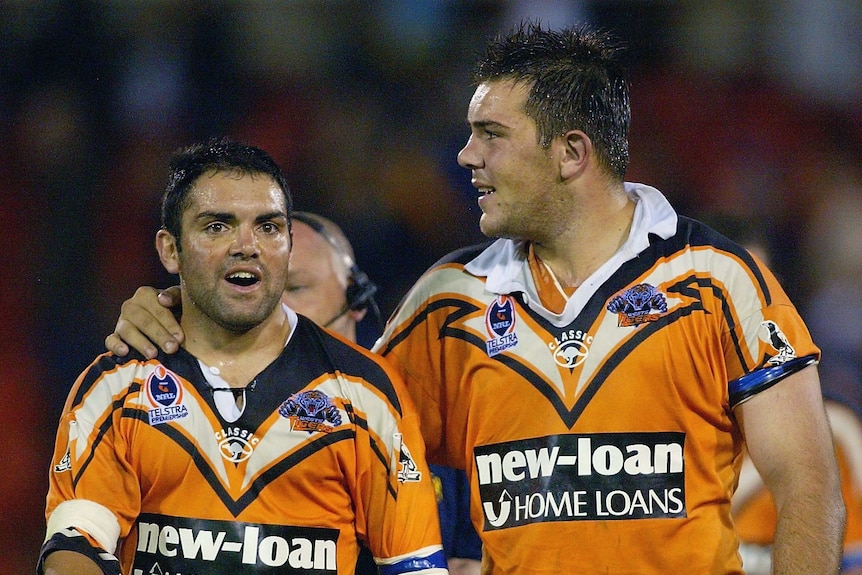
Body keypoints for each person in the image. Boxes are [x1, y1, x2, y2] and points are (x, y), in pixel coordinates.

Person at [105, 24, 845, 574]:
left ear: (571, 154)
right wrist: (188, 327)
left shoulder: (718, 283)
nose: (466, 158)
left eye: (491, 135)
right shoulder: (447, 304)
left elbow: (807, 484)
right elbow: (317, 444)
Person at [39, 138, 448, 575]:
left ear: (289, 244)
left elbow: (413, 565)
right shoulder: (117, 385)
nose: (246, 245)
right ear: (169, 250)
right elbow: (74, 547)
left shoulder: (366, 394)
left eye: (268, 227)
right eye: (217, 226)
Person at [114, 210, 483, 575]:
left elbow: (478, 557)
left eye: (295, 287)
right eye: (253, 283)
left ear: (355, 298)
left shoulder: (415, 412)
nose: (274, 306)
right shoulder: (169, 403)